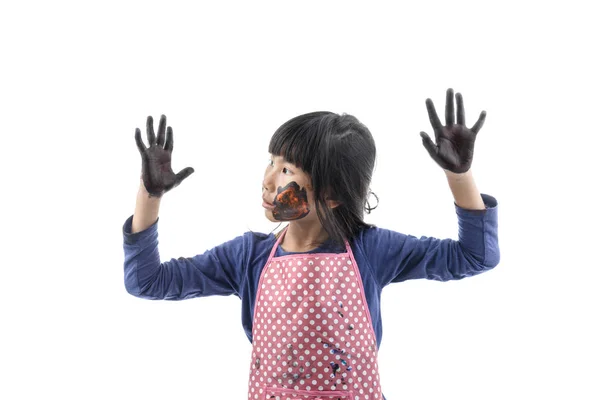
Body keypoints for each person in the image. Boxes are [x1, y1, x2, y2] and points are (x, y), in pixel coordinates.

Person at [122, 88, 500, 400]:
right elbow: (147, 281)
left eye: (286, 169)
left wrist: (459, 176)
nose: (268, 180)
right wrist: (149, 195)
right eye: (271, 162)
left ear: (332, 194)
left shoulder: (372, 251)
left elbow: (475, 255)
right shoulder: (246, 258)